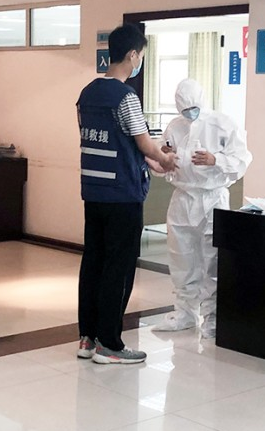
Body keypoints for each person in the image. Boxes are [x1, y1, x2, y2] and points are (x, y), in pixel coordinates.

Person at [76, 23, 176, 364]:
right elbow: (143, 142)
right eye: (141, 56)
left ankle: (88, 338)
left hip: (94, 191)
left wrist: (148, 156)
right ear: (132, 55)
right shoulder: (126, 97)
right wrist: (165, 159)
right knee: (117, 269)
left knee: (93, 263)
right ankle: (110, 344)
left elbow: (108, 140)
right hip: (122, 195)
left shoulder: (87, 93)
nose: (139, 62)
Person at [152, 79, 252, 339]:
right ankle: (184, 312)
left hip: (212, 198)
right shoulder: (175, 126)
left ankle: (213, 316)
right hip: (182, 198)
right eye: (185, 110)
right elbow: (161, 162)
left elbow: (242, 160)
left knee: (212, 259)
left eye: (193, 108)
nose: (190, 114)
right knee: (181, 257)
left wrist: (215, 159)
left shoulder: (223, 124)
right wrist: (165, 156)